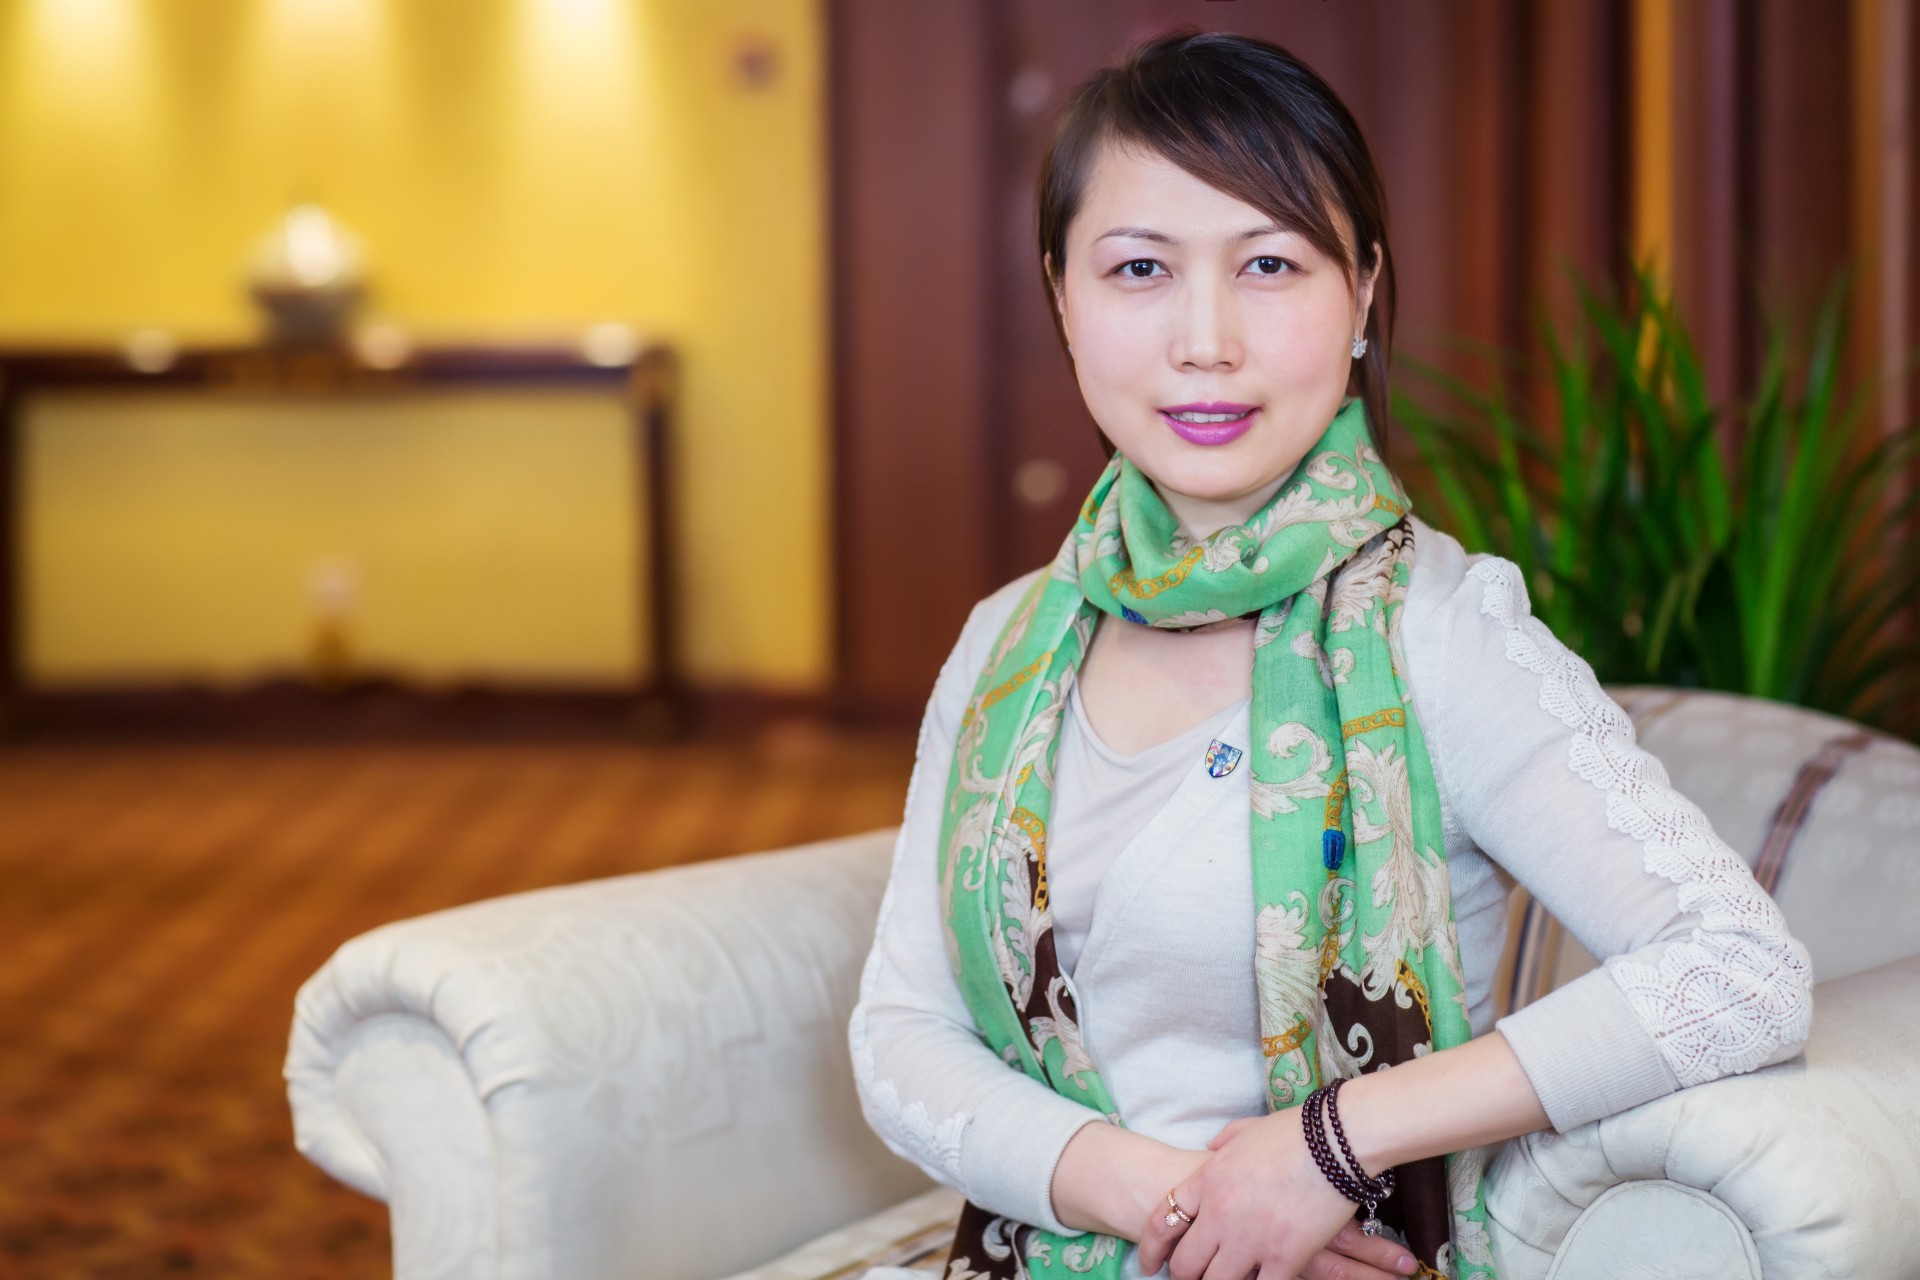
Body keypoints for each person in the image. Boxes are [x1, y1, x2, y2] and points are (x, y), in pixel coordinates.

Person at [847, 28, 1813, 1280]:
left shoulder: (1439, 628)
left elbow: (1738, 973)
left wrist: (1321, 1148)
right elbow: (902, 1036)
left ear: (1361, 290)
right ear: (1061, 295)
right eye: (1140, 268)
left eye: (1268, 264)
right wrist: (1184, 1205)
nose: (1206, 339)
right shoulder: (1005, 641)